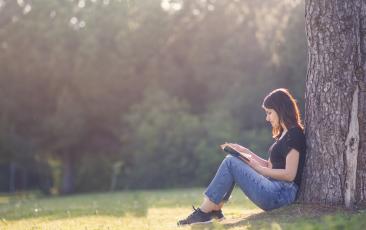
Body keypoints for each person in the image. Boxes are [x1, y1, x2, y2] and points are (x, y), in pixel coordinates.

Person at [177, 88, 306, 226]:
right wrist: (244, 151)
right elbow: (268, 165)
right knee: (233, 159)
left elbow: (289, 175)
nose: (267, 118)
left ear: (280, 110)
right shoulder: (283, 134)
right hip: (274, 189)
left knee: (231, 162)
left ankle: (206, 212)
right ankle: (213, 209)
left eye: (269, 113)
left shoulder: (295, 134)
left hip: (281, 195)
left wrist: (257, 168)